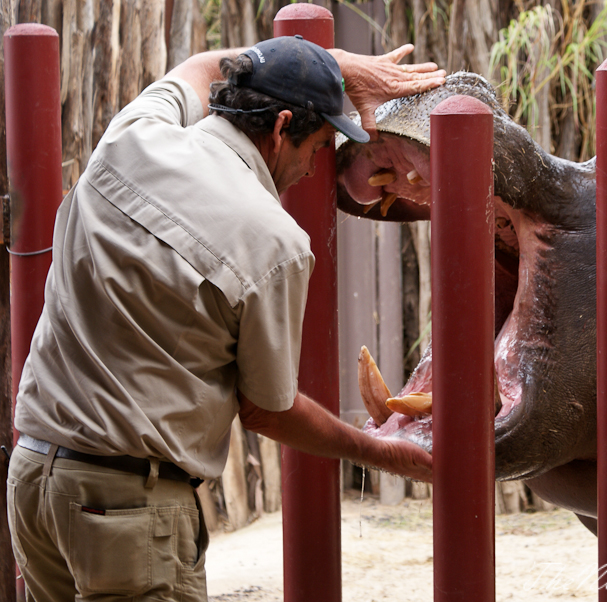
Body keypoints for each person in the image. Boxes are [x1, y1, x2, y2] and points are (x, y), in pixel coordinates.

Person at [7, 35, 444, 601]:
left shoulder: (132, 134)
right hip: (127, 510)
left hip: (33, 479)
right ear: (282, 127)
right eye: (317, 146)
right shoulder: (274, 240)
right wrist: (386, 452)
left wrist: (333, 66)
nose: (314, 169)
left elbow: (198, 65)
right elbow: (267, 410)